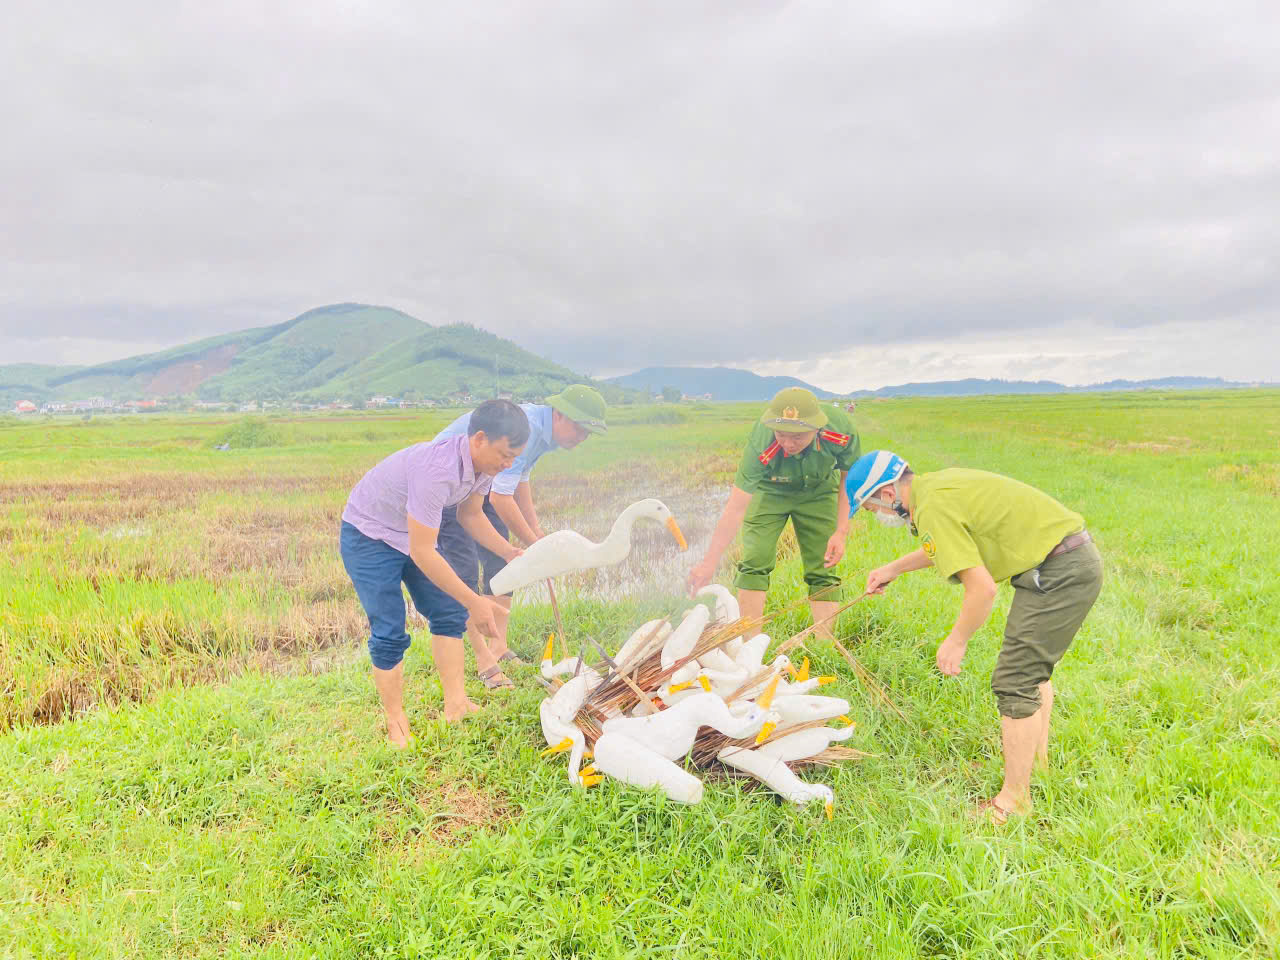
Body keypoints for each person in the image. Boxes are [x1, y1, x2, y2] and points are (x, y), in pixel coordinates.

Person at [846, 450, 1104, 822]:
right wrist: (894, 568)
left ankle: (1013, 802)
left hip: (1061, 568)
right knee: (1033, 674)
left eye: (872, 510)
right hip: (1067, 558)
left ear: (887, 495)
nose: (878, 517)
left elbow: (982, 589)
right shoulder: (935, 488)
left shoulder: (931, 505)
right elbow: (948, 545)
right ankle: (1038, 770)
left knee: (1016, 680)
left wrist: (957, 640)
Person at [339, 399, 530, 745]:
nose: (508, 464)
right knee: (390, 627)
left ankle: (456, 704)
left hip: (410, 533)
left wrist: (508, 550)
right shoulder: (438, 470)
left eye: (515, 457)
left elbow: (470, 516)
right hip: (369, 534)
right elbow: (423, 551)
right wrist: (476, 600)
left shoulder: (484, 470)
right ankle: (396, 721)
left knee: (448, 612)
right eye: (505, 454)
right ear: (480, 438)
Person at [432, 385, 608, 687]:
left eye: (587, 434)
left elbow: (518, 480)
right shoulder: (526, 428)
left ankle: (497, 647)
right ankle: (483, 661)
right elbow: (501, 499)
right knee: (462, 573)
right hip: (447, 486)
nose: (581, 439)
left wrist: (535, 532)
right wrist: (532, 544)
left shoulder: (542, 434)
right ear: (561, 415)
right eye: (580, 430)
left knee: (504, 565)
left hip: (480, 483)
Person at [687, 387, 860, 640]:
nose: (788, 444)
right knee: (755, 560)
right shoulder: (762, 440)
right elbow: (735, 507)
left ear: (816, 428)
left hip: (819, 490)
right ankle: (749, 647)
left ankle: (825, 646)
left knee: (823, 564)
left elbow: (849, 479)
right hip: (771, 490)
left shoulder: (841, 429)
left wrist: (841, 531)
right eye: (781, 434)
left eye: (798, 437)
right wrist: (709, 562)